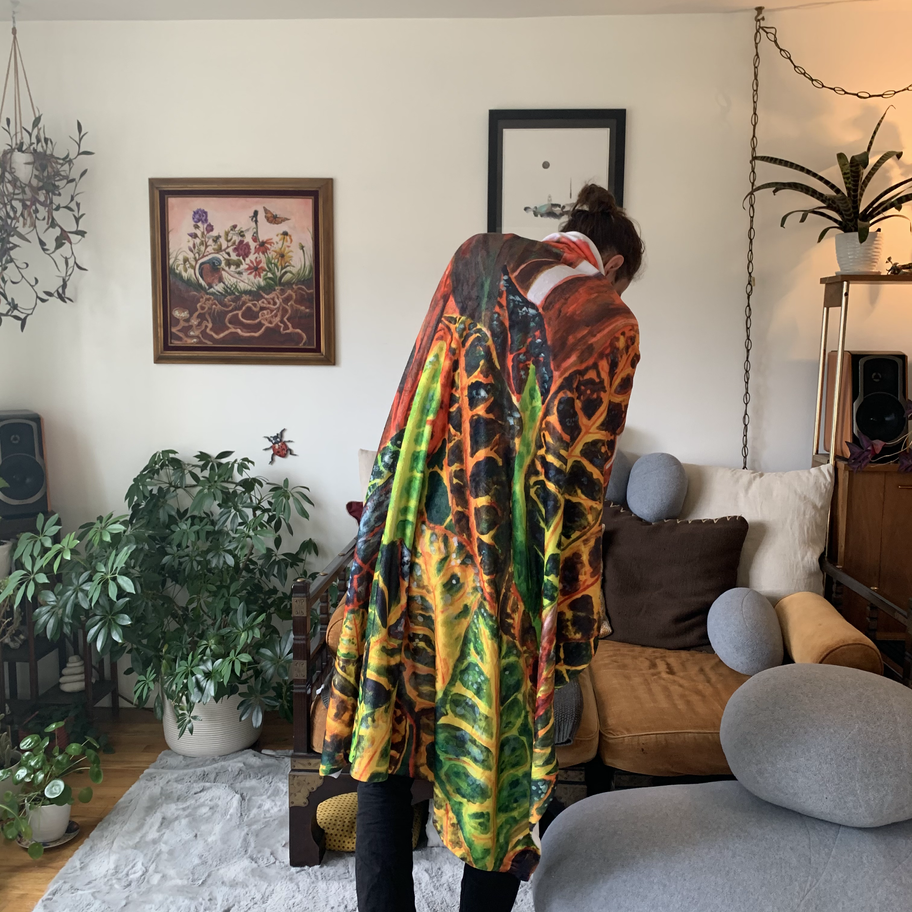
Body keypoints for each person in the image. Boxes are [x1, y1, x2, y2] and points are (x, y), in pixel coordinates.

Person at [321, 183, 644, 912]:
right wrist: (573, 626)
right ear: (615, 264)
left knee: (387, 746)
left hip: (412, 544)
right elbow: (582, 490)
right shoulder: (610, 319)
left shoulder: (476, 255)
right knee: (494, 772)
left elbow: (412, 398)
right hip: (501, 581)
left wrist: (376, 541)